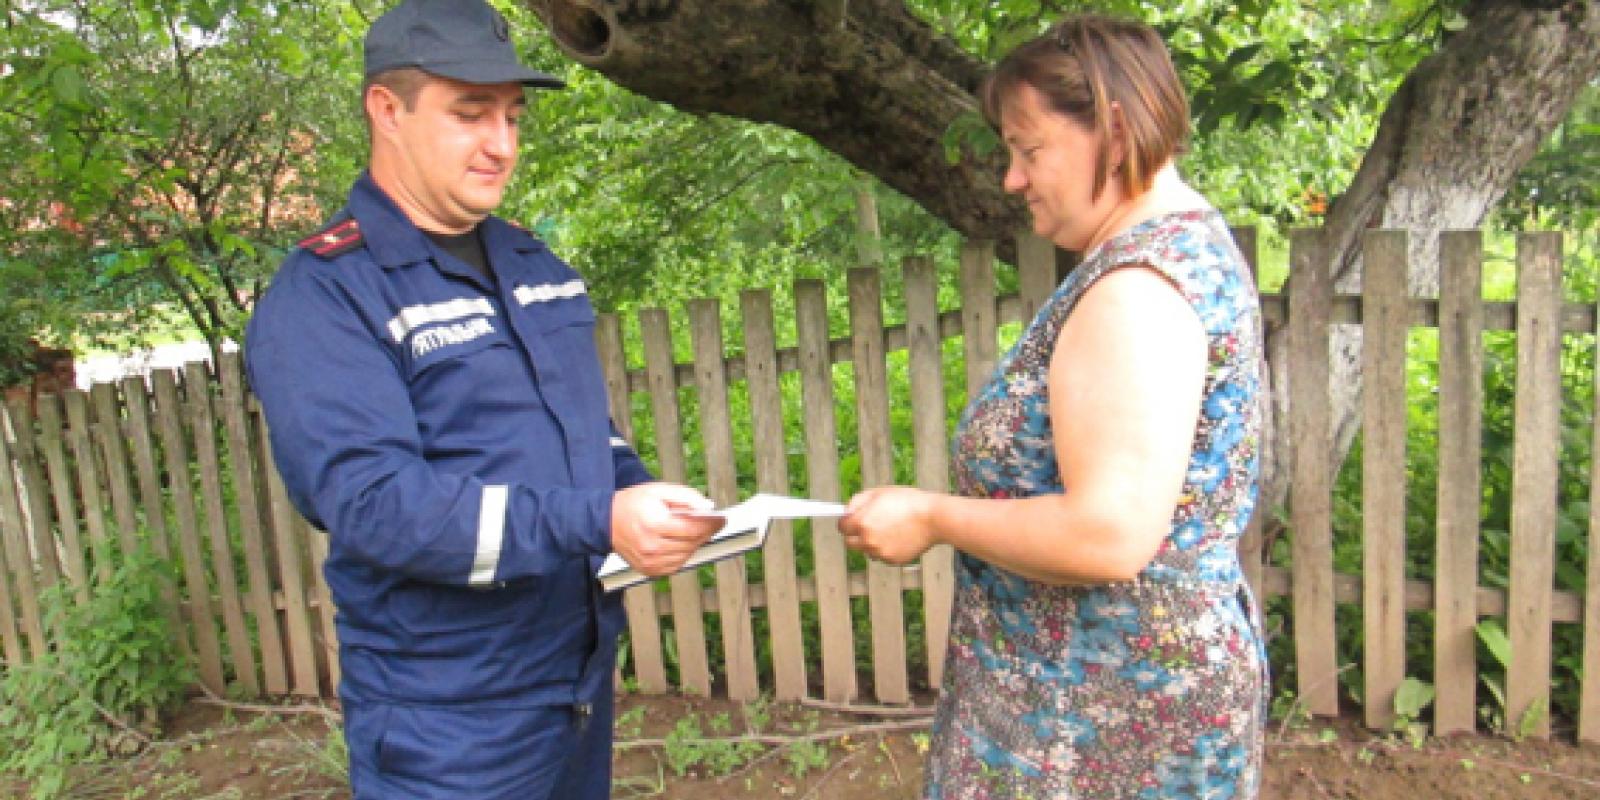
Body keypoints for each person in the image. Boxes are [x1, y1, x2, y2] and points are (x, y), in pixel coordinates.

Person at [243, 1, 722, 797]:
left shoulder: (535, 266)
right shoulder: (328, 295)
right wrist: (598, 521)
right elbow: (374, 505)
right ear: (386, 110)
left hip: (575, 686)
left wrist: (641, 493)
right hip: (445, 724)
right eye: (469, 114)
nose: (501, 145)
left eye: (512, 116)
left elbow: (585, 436)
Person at [838, 14, 1266, 800]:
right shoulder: (1180, 249)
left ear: (1115, 132)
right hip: (1102, 698)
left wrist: (931, 516)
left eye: (1029, 150)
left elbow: (1108, 534)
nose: (1012, 179)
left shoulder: (1137, 289)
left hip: (1094, 717)